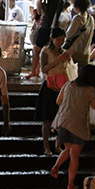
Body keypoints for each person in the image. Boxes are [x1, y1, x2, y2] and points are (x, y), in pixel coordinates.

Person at [51, 64, 95, 189]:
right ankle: (70, 184)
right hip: (77, 125)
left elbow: (58, 101)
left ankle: (56, 167)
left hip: (63, 122)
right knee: (75, 155)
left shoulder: (68, 84)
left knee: (68, 150)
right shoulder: (90, 90)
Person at [36, 27, 69, 155]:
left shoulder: (64, 52)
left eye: (62, 40)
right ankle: (46, 146)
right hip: (49, 87)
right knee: (47, 119)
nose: (61, 42)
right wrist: (59, 60)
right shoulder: (46, 51)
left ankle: (57, 145)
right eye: (58, 39)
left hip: (62, 87)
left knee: (60, 118)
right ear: (52, 39)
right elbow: (44, 69)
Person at [27, 0, 64, 79]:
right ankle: (46, 71)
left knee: (37, 50)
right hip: (55, 27)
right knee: (51, 50)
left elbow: (39, 12)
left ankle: (34, 71)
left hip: (44, 26)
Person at [65, 0, 95, 67]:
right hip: (86, 51)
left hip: (75, 51)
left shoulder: (77, 18)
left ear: (77, 6)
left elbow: (69, 35)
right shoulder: (90, 18)